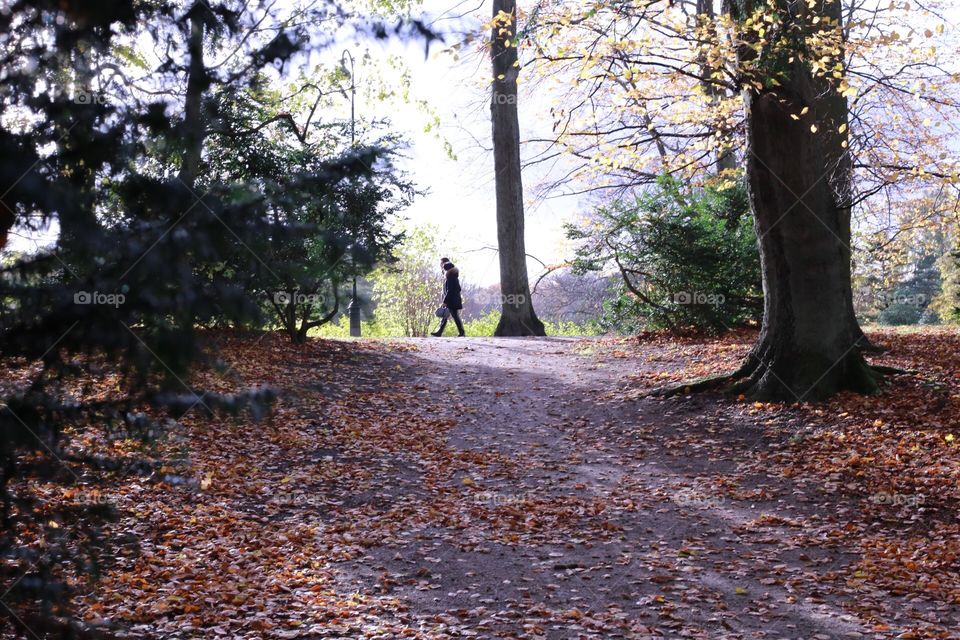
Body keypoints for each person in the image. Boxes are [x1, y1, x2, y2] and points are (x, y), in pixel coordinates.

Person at [431, 261, 465, 337]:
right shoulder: (455, 277)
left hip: (452, 301)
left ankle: (462, 332)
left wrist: (445, 301)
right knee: (445, 316)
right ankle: (440, 332)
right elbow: (458, 289)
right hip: (454, 300)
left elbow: (449, 291)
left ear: (447, 270)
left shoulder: (450, 278)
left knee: (454, 316)